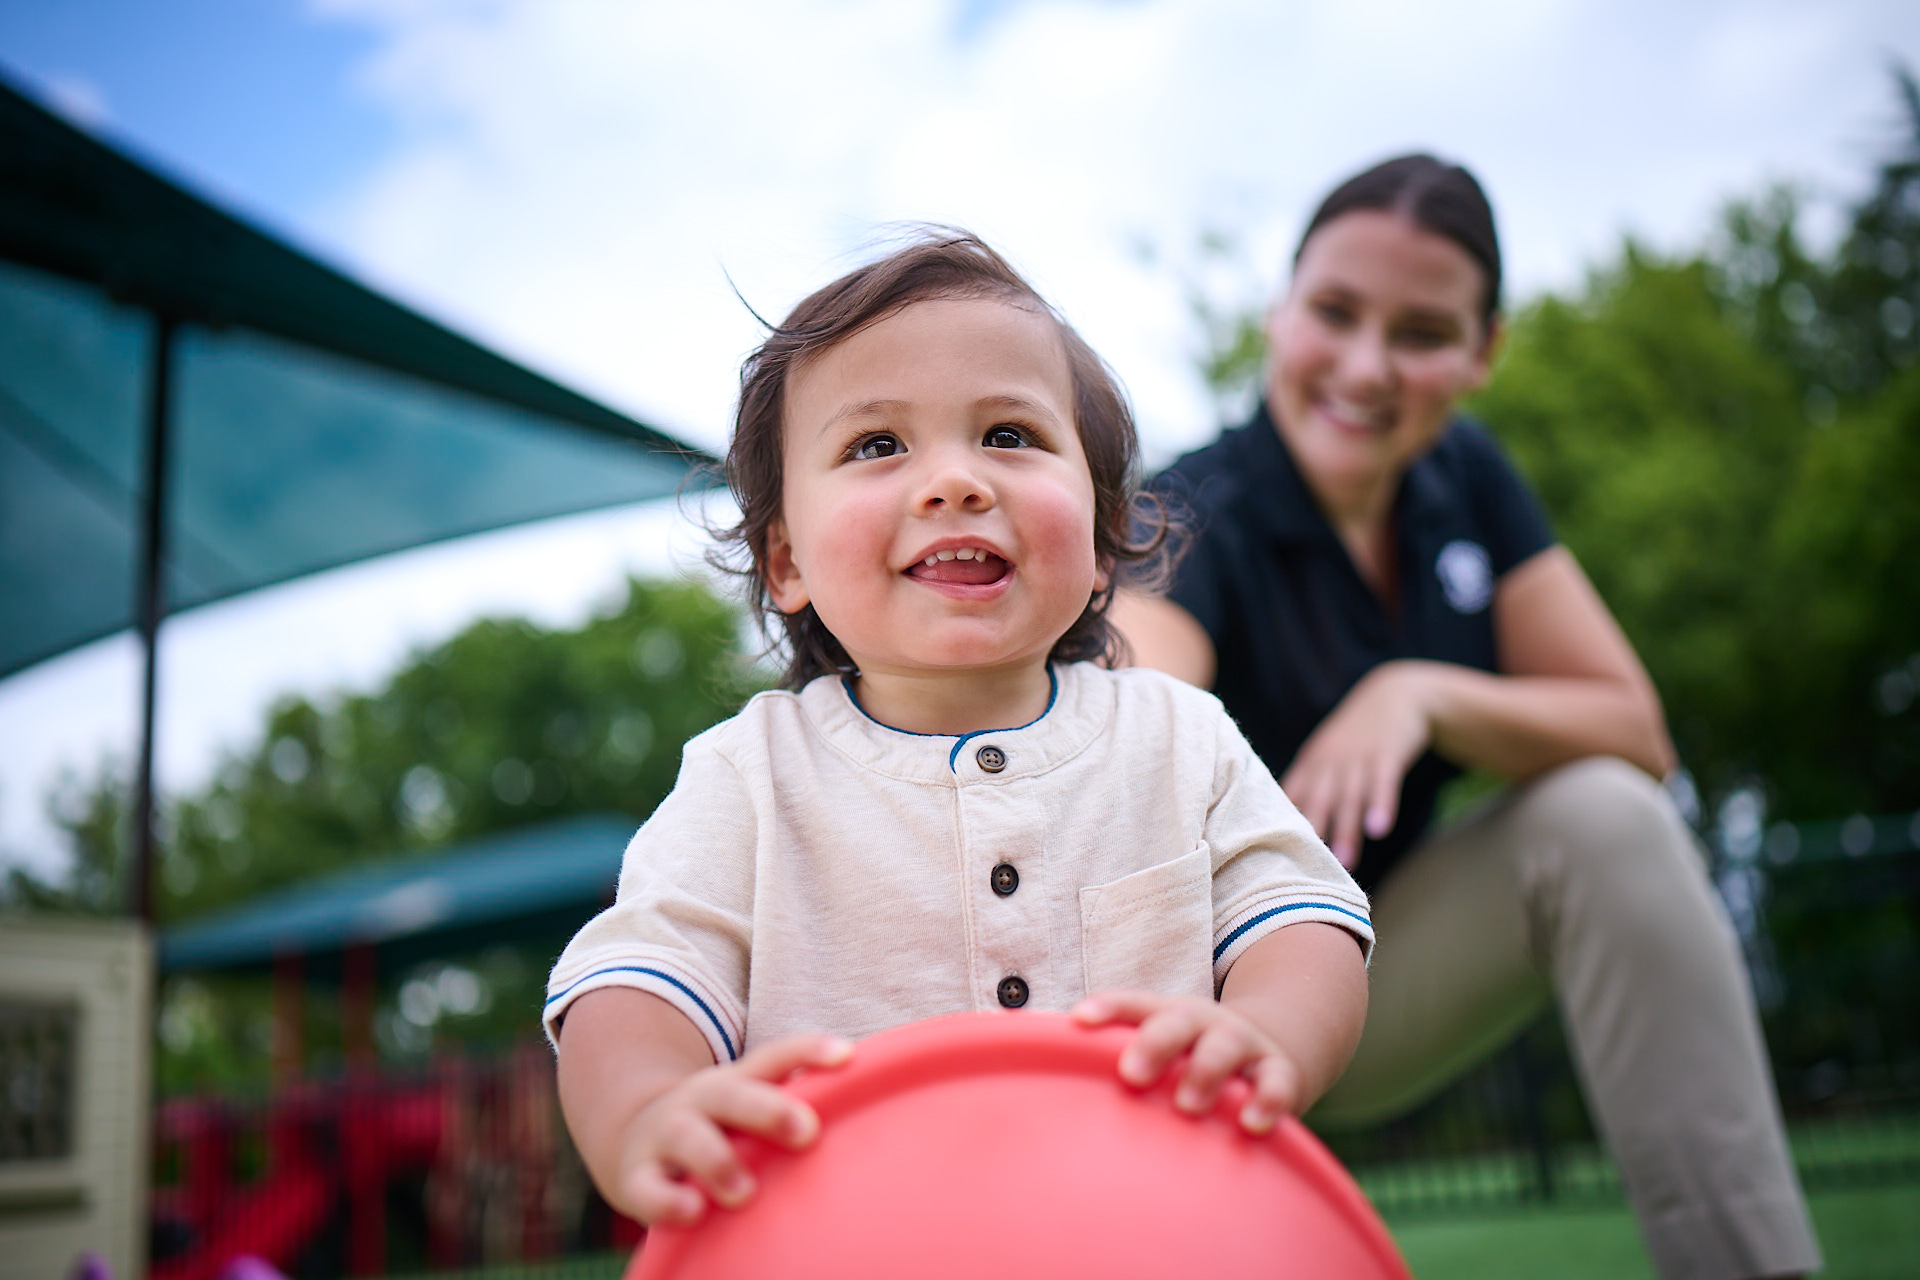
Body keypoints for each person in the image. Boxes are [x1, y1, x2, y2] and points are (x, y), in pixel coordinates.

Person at [544, 231, 1374, 1229]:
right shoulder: (748, 776)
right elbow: (636, 983)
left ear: (1107, 541)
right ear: (786, 560)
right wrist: (643, 1105)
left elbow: (1303, 921)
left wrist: (1270, 1032)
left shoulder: (1176, 735)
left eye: (1009, 435)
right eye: (878, 444)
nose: (955, 482)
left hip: (1157, 1229)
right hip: (852, 1240)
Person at [1113, 155, 1820, 1280]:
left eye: (1423, 331)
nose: (1364, 365)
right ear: (1279, 309)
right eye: (1334, 312)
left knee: (1605, 814)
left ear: (1485, 352)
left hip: (1366, 978)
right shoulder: (1189, 509)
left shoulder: (1468, 480)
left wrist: (1421, 693)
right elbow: (1124, 732)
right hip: (1186, 1017)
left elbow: (1633, 729)